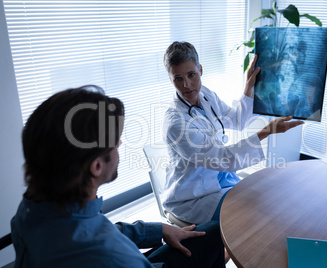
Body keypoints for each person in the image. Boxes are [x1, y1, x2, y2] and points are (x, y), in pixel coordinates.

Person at [11, 85, 225, 268]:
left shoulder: (32, 207)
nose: (120, 144)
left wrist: (159, 230)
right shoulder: (116, 257)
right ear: (96, 165)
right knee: (212, 238)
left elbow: (91, 229)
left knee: (212, 232)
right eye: (116, 141)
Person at [162, 41, 304, 224]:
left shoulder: (205, 95)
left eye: (191, 75)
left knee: (269, 196)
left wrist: (249, 87)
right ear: (170, 79)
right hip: (193, 196)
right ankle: (232, 251)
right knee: (254, 213)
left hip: (219, 179)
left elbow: (236, 121)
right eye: (178, 78)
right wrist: (267, 131)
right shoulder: (175, 124)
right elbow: (222, 158)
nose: (187, 85)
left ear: (201, 70)